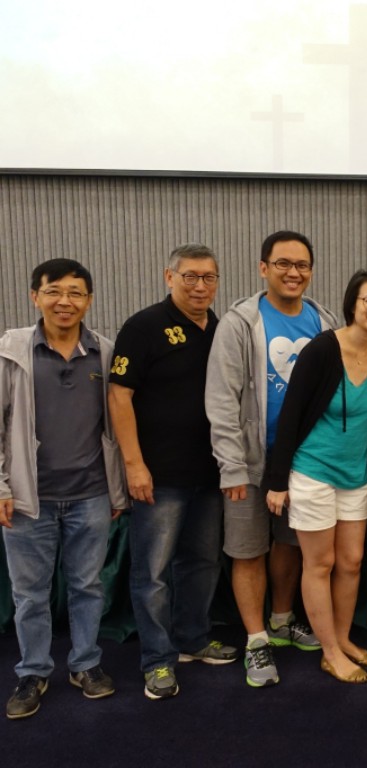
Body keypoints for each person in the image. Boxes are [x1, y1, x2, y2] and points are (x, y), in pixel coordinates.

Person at [206, 231, 337, 688]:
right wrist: (231, 465)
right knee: (248, 550)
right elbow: (221, 399)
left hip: (303, 463)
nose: (293, 272)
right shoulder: (239, 322)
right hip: (248, 462)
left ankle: (282, 620)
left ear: (311, 271)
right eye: (283, 263)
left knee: (290, 544)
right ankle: (257, 640)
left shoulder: (324, 321)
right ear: (264, 268)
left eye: (302, 265)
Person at [109, 243, 239, 701]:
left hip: (210, 474)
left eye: (209, 277)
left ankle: (192, 638)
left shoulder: (222, 330)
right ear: (169, 277)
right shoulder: (143, 326)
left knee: (202, 564)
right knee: (153, 573)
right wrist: (134, 464)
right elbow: (119, 395)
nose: (200, 286)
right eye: (190, 277)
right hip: (158, 477)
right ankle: (157, 660)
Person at [1, 259, 129, 720]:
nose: (65, 301)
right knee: (30, 594)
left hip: (91, 494)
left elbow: (116, 426)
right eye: (54, 291)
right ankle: (33, 672)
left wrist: (117, 491)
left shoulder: (105, 352)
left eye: (76, 293)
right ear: (35, 296)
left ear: (89, 301)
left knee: (87, 586)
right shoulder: (11, 351)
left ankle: (85, 664)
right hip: (28, 498)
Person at [265, 270, 367, 685]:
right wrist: (277, 480)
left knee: (352, 562)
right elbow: (290, 414)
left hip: (355, 475)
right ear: (352, 304)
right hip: (313, 471)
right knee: (320, 563)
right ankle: (330, 652)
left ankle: (343, 638)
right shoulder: (322, 350)